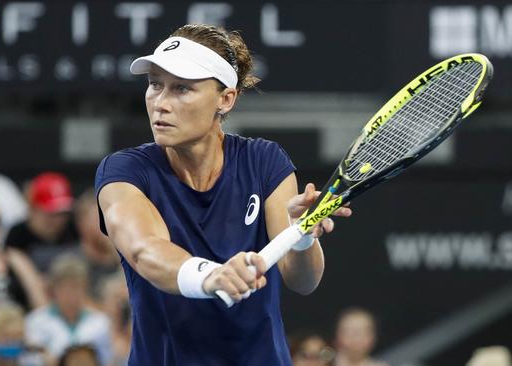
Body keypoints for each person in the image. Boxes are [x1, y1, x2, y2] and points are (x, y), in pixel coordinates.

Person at [95, 24, 352, 365]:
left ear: (225, 98)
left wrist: (302, 236)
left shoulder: (264, 161)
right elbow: (145, 251)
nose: (161, 103)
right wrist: (209, 276)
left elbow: (302, 280)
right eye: (155, 85)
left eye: (182, 89)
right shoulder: (124, 171)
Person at [25, 255, 111, 365]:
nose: (72, 295)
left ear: (85, 288)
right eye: (66, 288)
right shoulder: (35, 321)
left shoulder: (101, 322)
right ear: (54, 289)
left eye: (76, 287)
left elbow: (108, 359)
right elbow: (30, 359)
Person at [5, 172, 78, 272]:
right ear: (34, 208)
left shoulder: (73, 231)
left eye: (63, 213)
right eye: (51, 212)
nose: (59, 219)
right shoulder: (17, 236)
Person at [74, 188, 120, 301]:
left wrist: (114, 247)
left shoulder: (122, 255)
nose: (106, 223)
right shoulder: (73, 259)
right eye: (99, 218)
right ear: (81, 223)